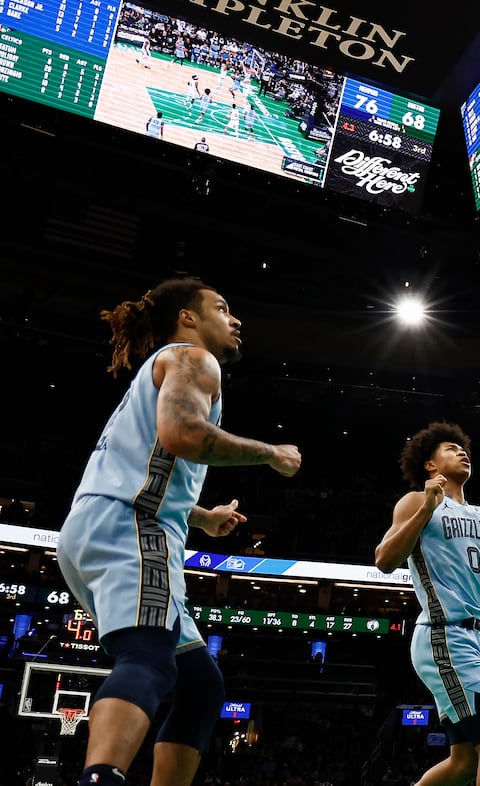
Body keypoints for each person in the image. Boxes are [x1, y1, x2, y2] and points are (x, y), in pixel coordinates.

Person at [56, 277, 302, 786]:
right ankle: (99, 778)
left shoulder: (162, 370)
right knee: (148, 656)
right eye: (222, 307)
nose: (235, 320)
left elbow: (145, 464)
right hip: (135, 528)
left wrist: (202, 515)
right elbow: (183, 434)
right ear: (188, 318)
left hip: (99, 527)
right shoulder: (193, 358)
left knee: (200, 683)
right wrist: (269, 453)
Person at [374, 423, 480, 786]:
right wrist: (425, 510)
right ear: (430, 466)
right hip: (443, 635)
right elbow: (384, 560)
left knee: (464, 762)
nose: (462, 452)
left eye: (463, 449)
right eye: (450, 449)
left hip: (476, 642)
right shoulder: (417, 501)